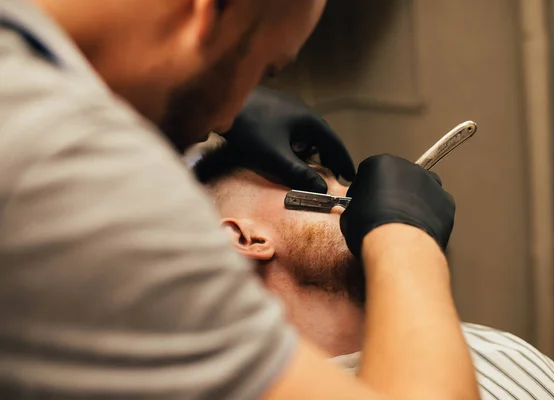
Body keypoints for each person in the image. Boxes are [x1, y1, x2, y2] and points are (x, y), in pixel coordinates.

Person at [0, 1, 478, 399]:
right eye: (265, 70)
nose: (226, 115)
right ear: (206, 12)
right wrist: (406, 236)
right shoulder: (67, 171)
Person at [194, 137, 554, 400]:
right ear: (244, 238)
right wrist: (404, 235)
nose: (357, 193)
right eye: (320, 183)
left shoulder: (492, 345)